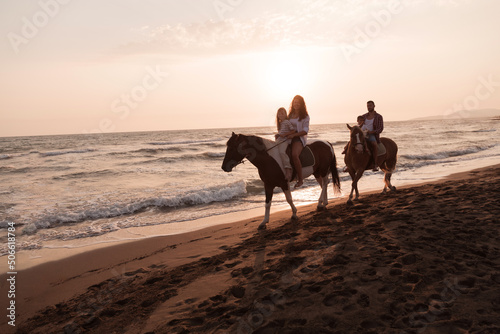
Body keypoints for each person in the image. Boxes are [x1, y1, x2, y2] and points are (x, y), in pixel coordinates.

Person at [287, 95, 310, 188]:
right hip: (288, 138)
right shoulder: (290, 115)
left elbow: (305, 131)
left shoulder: (305, 116)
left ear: (301, 104)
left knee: (294, 155)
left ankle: (300, 179)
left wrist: (294, 135)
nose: (296, 104)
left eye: (298, 103)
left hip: (298, 138)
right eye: (294, 102)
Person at [275, 107, 296, 181]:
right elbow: (281, 133)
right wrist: (278, 135)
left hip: (286, 140)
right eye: (279, 113)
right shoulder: (280, 123)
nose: (280, 115)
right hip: (280, 140)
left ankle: (288, 169)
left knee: (281, 152)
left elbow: (293, 131)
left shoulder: (287, 122)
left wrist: (285, 135)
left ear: (285, 114)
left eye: (282, 113)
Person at [363, 100, 384, 171]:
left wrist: (372, 132)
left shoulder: (379, 117)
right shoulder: (363, 116)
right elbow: (359, 125)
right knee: (352, 143)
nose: (369, 107)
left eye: (370, 106)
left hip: (372, 135)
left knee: (374, 144)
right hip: (363, 135)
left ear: (374, 106)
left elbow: (380, 128)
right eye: (368, 106)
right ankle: (348, 164)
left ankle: (375, 164)